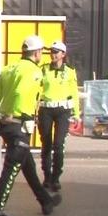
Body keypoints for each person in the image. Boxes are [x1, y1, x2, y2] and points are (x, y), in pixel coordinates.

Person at [0, 35, 61, 216]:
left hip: (6, 125)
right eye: (41, 52)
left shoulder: (8, 69)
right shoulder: (34, 71)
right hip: (19, 125)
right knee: (11, 169)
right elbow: (21, 92)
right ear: (36, 53)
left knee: (28, 166)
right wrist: (22, 115)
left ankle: (46, 201)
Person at [38, 40, 80, 192]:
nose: (53, 54)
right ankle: (47, 176)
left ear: (63, 54)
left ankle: (56, 177)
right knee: (46, 144)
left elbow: (74, 93)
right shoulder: (43, 69)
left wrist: (76, 113)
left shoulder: (70, 71)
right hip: (46, 110)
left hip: (63, 110)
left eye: (56, 52)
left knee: (58, 144)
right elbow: (36, 89)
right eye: (52, 52)